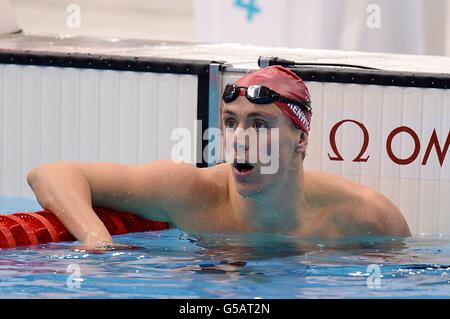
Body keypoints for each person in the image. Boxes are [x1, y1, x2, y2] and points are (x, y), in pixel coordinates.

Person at [26, 65, 411, 248]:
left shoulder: (366, 218)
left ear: (301, 140)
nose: (240, 139)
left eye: (260, 125)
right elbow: (51, 174)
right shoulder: (189, 191)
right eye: (231, 122)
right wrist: (97, 240)